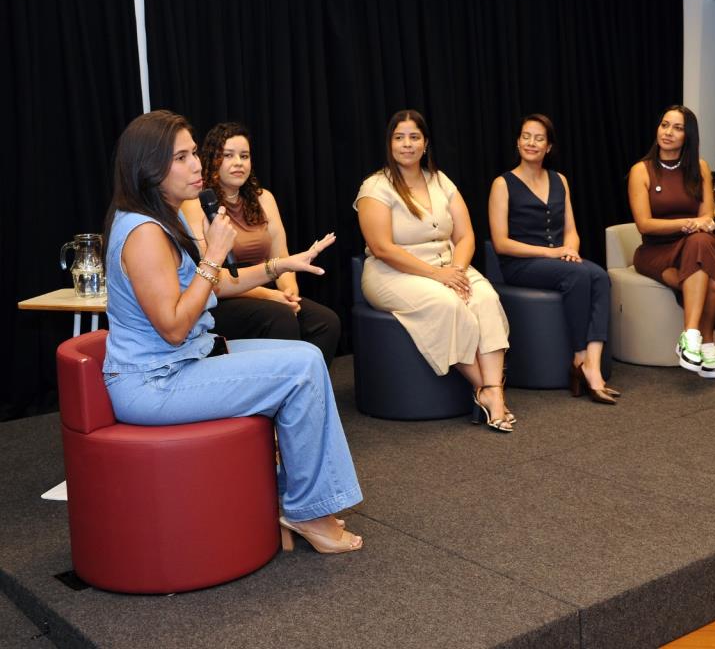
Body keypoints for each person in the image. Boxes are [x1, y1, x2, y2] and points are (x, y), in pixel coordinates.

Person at [102, 110, 363, 554]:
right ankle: (310, 513)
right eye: (181, 157)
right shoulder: (143, 232)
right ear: (149, 167)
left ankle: (295, 502)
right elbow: (172, 326)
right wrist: (214, 254)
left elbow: (218, 284)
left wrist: (281, 264)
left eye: (191, 154)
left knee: (307, 359)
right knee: (300, 365)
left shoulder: (168, 216)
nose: (196, 165)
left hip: (187, 361)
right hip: (155, 381)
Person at [354, 110, 514, 432]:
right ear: (390, 144)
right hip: (392, 272)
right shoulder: (375, 186)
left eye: (414, 137)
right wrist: (437, 275)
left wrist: (456, 269)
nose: (407, 144)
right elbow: (382, 247)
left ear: (425, 143)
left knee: (483, 297)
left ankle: (492, 392)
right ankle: (484, 387)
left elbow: (466, 235)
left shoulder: (441, 181)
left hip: (449, 266)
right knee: (447, 304)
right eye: (400, 137)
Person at [181, 122, 341, 364]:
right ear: (212, 160)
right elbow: (212, 278)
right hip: (221, 298)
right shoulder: (196, 204)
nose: (238, 162)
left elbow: (281, 256)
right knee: (279, 317)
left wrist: (289, 292)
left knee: (326, 321)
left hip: (267, 292)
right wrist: (269, 296)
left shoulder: (264, 198)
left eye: (244, 156)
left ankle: (308, 393)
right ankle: (277, 396)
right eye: (228, 156)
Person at [488, 114, 619, 404]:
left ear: (548, 147)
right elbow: (501, 243)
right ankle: (579, 356)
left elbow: (571, 230)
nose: (531, 143)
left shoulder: (560, 180)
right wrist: (553, 252)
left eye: (538, 138)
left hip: (558, 260)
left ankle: (593, 365)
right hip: (520, 263)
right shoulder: (503, 184)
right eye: (526, 136)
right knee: (579, 275)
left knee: (599, 275)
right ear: (517, 141)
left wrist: (570, 249)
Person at [627, 105, 715, 378]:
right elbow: (644, 224)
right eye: (664, 125)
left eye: (677, 128)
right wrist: (688, 224)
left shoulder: (700, 167)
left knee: (700, 244)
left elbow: (707, 214)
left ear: (688, 136)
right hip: (655, 249)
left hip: (695, 244)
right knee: (713, 275)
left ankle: (691, 336)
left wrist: (697, 225)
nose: (668, 132)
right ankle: (705, 340)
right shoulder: (642, 170)